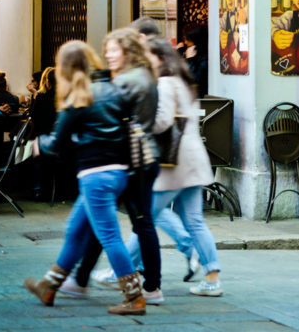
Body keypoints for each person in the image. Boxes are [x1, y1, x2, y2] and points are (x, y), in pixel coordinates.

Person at [24, 40, 145, 316]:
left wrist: (38, 144)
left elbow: (57, 143)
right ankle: (49, 285)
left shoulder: (78, 97)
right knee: (75, 230)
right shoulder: (114, 89)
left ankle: (134, 296)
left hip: (95, 176)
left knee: (110, 237)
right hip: (118, 173)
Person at [64, 28, 162, 303]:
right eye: (106, 49)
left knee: (136, 224)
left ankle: (150, 288)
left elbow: (106, 113)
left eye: (113, 49)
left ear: (128, 52)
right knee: (116, 221)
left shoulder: (129, 81)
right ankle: (81, 279)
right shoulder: (141, 76)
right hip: (138, 159)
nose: (107, 54)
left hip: (133, 161)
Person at [125, 37, 223, 297]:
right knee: (194, 221)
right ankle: (212, 278)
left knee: (145, 217)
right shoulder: (184, 82)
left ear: (159, 58)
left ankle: (120, 270)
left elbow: (162, 121)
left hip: (174, 162)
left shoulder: (166, 84)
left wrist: (136, 124)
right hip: (191, 160)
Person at [29, 67, 61, 201]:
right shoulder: (67, 99)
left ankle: (38, 189)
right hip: (64, 143)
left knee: (35, 150)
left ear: (47, 82)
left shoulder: (42, 98)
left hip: (45, 141)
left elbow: (34, 118)